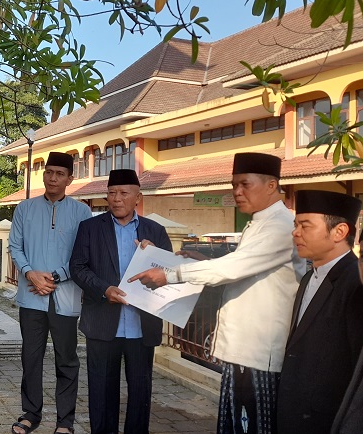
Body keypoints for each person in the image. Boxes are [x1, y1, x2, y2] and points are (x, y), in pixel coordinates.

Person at [128, 152, 306, 434]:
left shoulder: (280, 226)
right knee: (234, 423)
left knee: (253, 425)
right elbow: (243, 265)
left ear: (271, 186)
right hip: (242, 350)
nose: (237, 192)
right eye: (234, 184)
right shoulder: (260, 221)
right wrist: (202, 261)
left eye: (245, 184)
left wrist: (171, 274)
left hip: (258, 351)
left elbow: (236, 266)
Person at [69, 168, 172, 434]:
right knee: (102, 392)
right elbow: (78, 267)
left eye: (124, 193)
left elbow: (169, 274)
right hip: (103, 323)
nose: (116, 199)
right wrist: (104, 290)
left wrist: (156, 256)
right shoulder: (90, 228)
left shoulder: (156, 231)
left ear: (137, 197)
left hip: (141, 325)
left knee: (140, 393)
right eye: (112, 193)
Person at [8, 152, 92, 434]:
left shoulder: (82, 212)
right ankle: (31, 413)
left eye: (59, 173)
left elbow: (83, 253)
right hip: (31, 295)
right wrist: (31, 272)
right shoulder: (24, 209)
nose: (52, 178)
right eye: (48, 172)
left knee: (66, 359)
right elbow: (15, 247)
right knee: (30, 357)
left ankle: (65, 421)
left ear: (70, 178)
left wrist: (56, 277)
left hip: (64, 298)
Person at [278, 190, 363, 433]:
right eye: (295, 225)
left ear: (340, 232)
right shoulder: (307, 278)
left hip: (327, 419)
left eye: (305, 226)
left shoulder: (355, 285)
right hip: (293, 413)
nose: (295, 233)